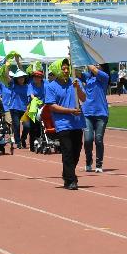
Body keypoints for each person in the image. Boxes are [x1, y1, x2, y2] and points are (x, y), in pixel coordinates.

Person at [44, 58, 86, 190]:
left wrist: (78, 87)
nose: (66, 71)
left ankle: (67, 173)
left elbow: (83, 98)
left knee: (77, 150)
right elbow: (52, 106)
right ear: (57, 70)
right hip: (62, 123)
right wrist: (69, 111)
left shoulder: (75, 81)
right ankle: (71, 180)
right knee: (67, 151)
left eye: (67, 68)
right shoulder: (51, 86)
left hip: (77, 122)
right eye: (63, 69)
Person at [78, 64, 109, 172]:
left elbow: (93, 68)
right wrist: (73, 56)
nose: (95, 65)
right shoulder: (87, 77)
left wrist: (86, 60)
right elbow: (76, 71)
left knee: (98, 140)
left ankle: (99, 165)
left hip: (101, 114)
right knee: (88, 140)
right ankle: (88, 161)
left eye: (98, 64)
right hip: (87, 114)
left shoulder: (104, 77)